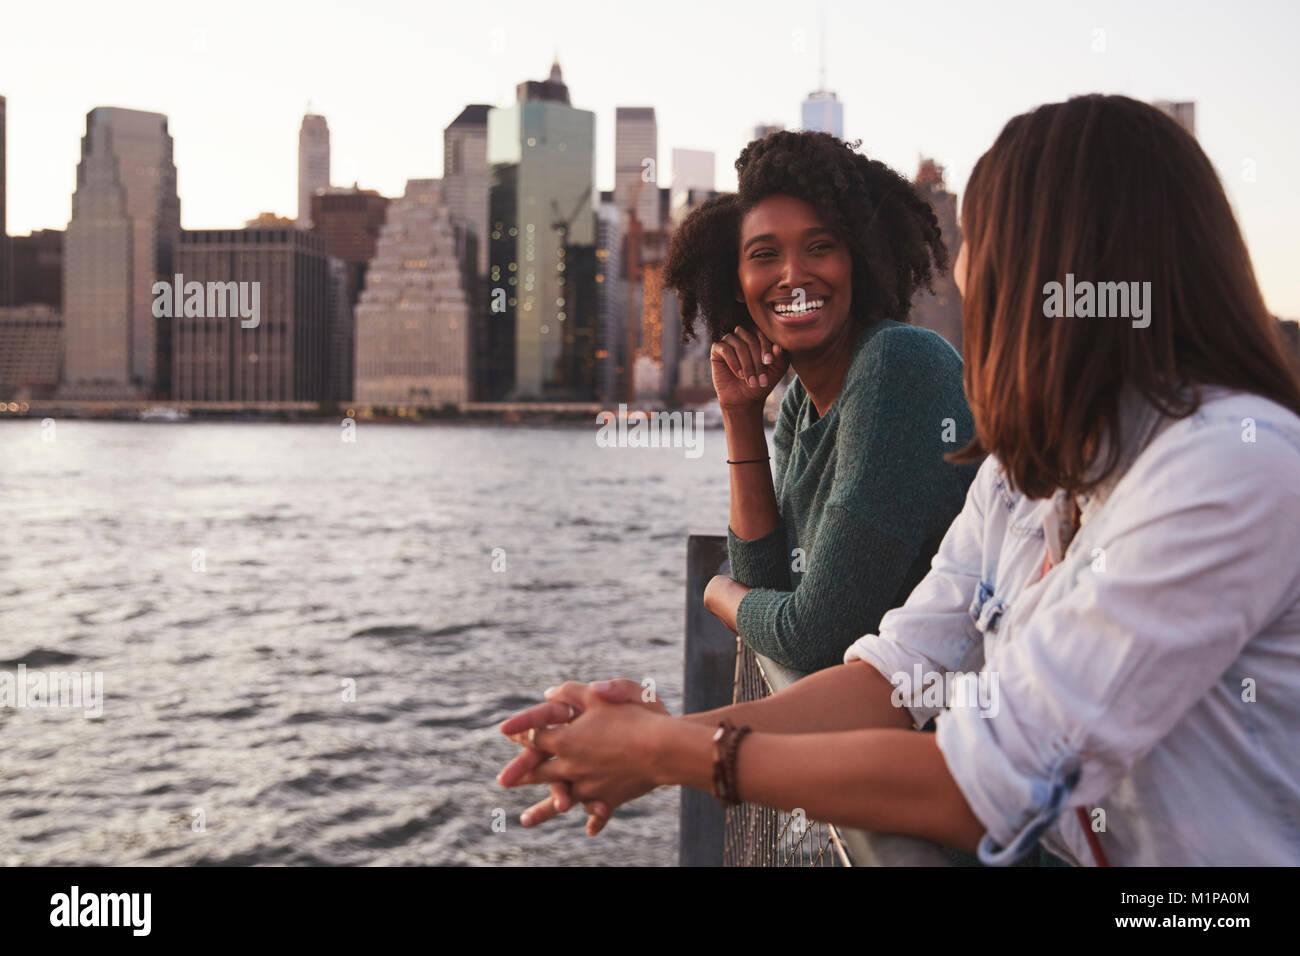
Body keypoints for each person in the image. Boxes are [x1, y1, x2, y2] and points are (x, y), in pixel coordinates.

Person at [498, 94, 1300, 864]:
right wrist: (661, 736)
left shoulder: (1229, 469)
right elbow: (889, 677)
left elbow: (986, 780)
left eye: (981, 242)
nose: (962, 275)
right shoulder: (1029, 481)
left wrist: (674, 749)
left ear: (1057, 269)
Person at [663, 130, 977, 674]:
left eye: (820, 247)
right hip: (875, 723)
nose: (793, 275)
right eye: (765, 255)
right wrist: (740, 414)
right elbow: (770, 583)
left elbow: (813, 637)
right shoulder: (798, 406)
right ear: (738, 284)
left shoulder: (897, 364)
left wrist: (718, 594)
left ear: (857, 259)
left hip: (951, 736)